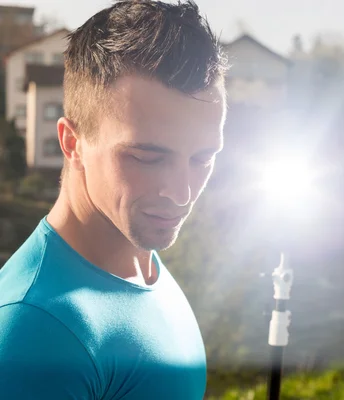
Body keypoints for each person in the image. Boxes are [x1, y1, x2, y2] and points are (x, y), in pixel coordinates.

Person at [0, 1, 228, 398]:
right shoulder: (34, 330)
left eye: (202, 158)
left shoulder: (142, 261)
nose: (182, 193)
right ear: (72, 143)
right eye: (146, 157)